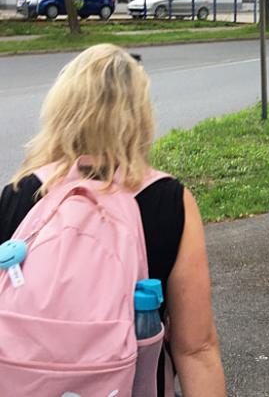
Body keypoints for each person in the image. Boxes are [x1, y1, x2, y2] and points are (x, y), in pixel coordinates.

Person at [0, 44, 225, 397]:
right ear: (140, 117)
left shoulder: (19, 194)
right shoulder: (169, 200)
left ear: (61, 110)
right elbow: (196, 347)